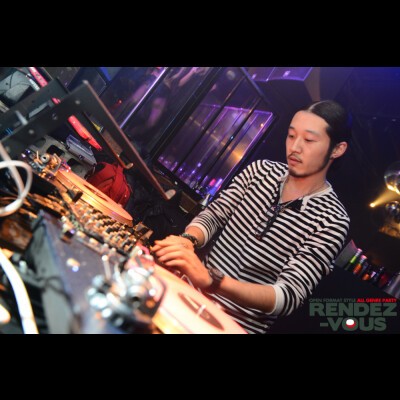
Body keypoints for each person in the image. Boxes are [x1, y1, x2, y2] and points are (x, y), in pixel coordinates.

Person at [152, 100, 352, 334]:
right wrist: (189, 240)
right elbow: (215, 215)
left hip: (232, 327)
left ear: (337, 149)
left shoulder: (332, 220)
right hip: (184, 296)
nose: (295, 147)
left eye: (308, 140)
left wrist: (214, 281)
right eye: (291, 136)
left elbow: (288, 295)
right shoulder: (260, 171)